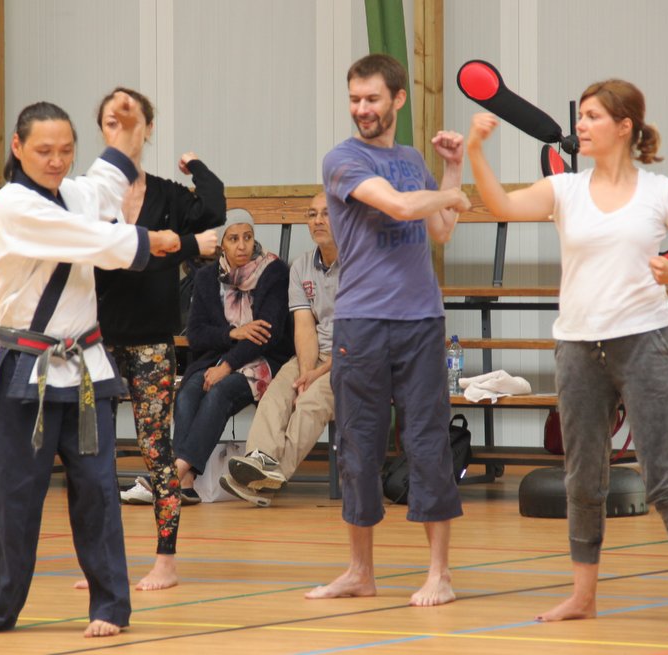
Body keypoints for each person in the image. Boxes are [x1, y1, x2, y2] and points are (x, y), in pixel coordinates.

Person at [466, 79, 668, 633]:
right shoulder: (565, 190)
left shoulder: (661, 192)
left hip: (646, 343)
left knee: (665, 476)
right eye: (580, 116)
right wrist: (474, 151)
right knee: (582, 479)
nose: (580, 125)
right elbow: (503, 207)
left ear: (624, 126)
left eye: (591, 116)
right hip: (578, 347)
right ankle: (582, 596)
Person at [0, 96, 181, 639]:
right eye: (43, 151)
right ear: (17, 147)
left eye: (65, 150)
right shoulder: (12, 205)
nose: (56, 160)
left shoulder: (75, 193)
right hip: (25, 372)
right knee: (13, 496)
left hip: (84, 370)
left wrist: (129, 134)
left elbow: (107, 181)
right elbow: (91, 238)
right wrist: (146, 242)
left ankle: (110, 606)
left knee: (98, 491)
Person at [306, 54, 469, 607]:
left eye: (372, 99)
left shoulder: (411, 158)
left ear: (398, 99)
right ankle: (360, 572)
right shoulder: (341, 159)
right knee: (359, 445)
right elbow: (401, 208)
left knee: (428, 443)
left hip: (421, 322)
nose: (362, 109)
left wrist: (452, 170)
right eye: (355, 99)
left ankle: (440, 574)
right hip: (362, 323)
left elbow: (441, 230)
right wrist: (446, 195)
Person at [92, 87, 223, 590]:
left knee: (155, 449)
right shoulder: (89, 193)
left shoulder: (168, 194)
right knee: (92, 453)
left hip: (149, 341)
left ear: (147, 128)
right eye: (111, 121)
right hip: (94, 341)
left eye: (132, 120)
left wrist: (197, 166)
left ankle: (165, 561)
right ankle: (101, 558)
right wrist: (182, 245)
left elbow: (214, 205)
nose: (122, 128)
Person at [219, 192, 339, 507]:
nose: (318, 221)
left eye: (326, 213)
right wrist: (305, 371)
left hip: (352, 359)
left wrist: (317, 375)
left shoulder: (363, 266)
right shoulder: (301, 267)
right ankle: (259, 459)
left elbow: (361, 336)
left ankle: (270, 479)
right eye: (312, 214)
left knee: (311, 402)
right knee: (277, 392)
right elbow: (304, 326)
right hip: (315, 357)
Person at [172, 211, 293, 500]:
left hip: (262, 362)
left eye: (248, 237)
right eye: (234, 239)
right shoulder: (206, 278)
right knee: (188, 391)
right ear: (222, 245)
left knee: (219, 392)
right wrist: (232, 334)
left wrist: (227, 365)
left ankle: (174, 472)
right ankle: (186, 483)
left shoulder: (273, 272)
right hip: (214, 359)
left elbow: (268, 335)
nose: (242, 246)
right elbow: (197, 334)